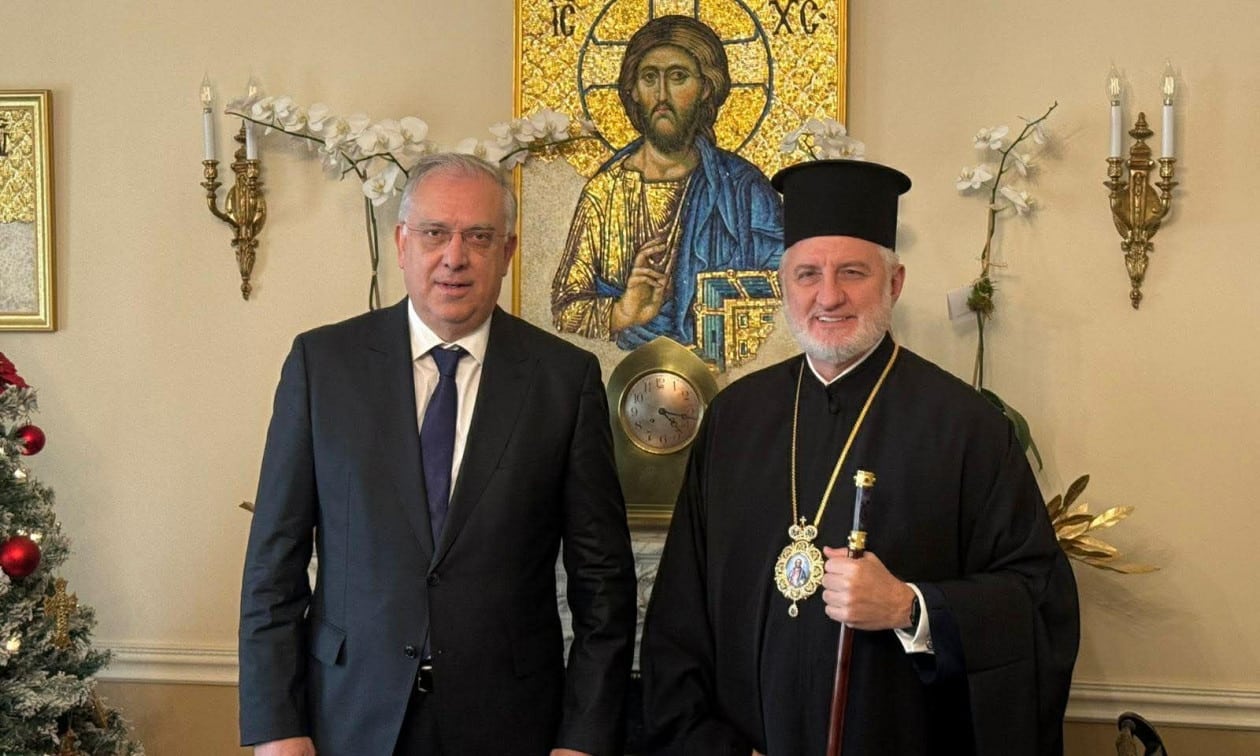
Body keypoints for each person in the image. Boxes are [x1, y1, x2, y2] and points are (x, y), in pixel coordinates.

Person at [640, 159, 1079, 755]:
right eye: (807, 274)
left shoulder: (967, 428)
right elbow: (679, 615)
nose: (828, 296)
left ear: (894, 283)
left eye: (852, 272)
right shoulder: (734, 420)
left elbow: (1039, 601)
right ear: (783, 284)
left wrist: (909, 607)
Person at [239, 153, 638, 756]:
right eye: (434, 233)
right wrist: (276, 728)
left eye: (478, 237)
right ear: (403, 243)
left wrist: (583, 739)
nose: (455, 257)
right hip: (347, 718)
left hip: (510, 724)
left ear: (507, 252)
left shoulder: (564, 380)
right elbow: (273, 565)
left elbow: (603, 584)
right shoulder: (323, 366)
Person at [550, 14, 783, 353]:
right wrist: (623, 312)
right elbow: (563, 311)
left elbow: (787, 293)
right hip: (625, 374)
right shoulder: (605, 194)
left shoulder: (745, 189)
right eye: (649, 78)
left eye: (677, 77)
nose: (661, 95)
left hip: (732, 376)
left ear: (706, 87)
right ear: (632, 89)